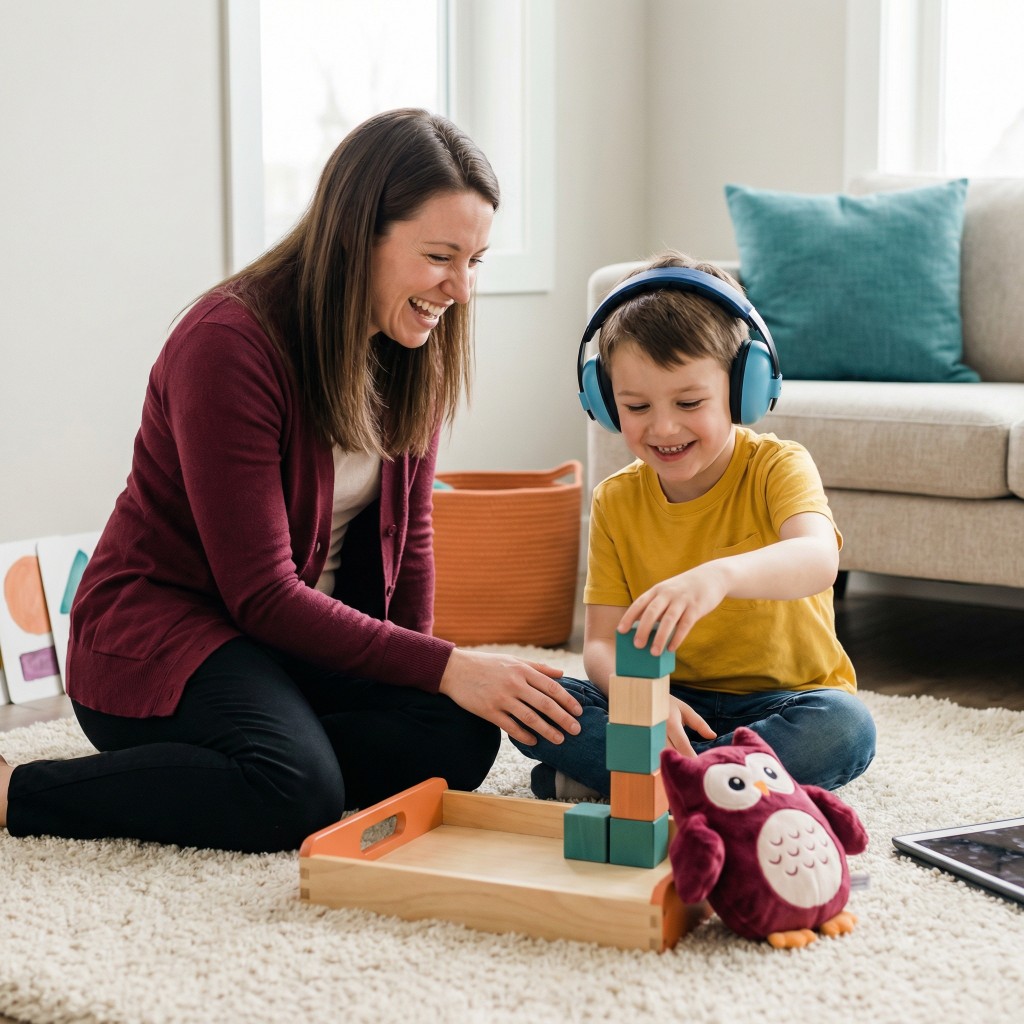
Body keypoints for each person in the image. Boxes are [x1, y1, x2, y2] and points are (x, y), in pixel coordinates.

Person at [0, 108, 581, 853]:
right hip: (163, 637)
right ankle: (21, 790)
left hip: (290, 650)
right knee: (295, 791)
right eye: (442, 257)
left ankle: (246, 762)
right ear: (355, 233)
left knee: (458, 734)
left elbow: (412, 543)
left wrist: (431, 677)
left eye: (477, 260)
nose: (462, 290)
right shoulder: (228, 345)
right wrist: (443, 665)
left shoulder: (415, 345)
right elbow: (262, 593)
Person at [513, 251, 875, 801]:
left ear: (743, 388)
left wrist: (718, 577)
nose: (663, 427)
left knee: (846, 727)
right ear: (605, 402)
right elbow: (604, 645)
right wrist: (647, 699)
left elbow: (817, 559)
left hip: (785, 702)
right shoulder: (615, 500)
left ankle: (641, 780)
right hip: (665, 697)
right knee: (540, 706)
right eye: (635, 406)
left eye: (689, 401)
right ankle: (718, 784)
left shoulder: (779, 466)